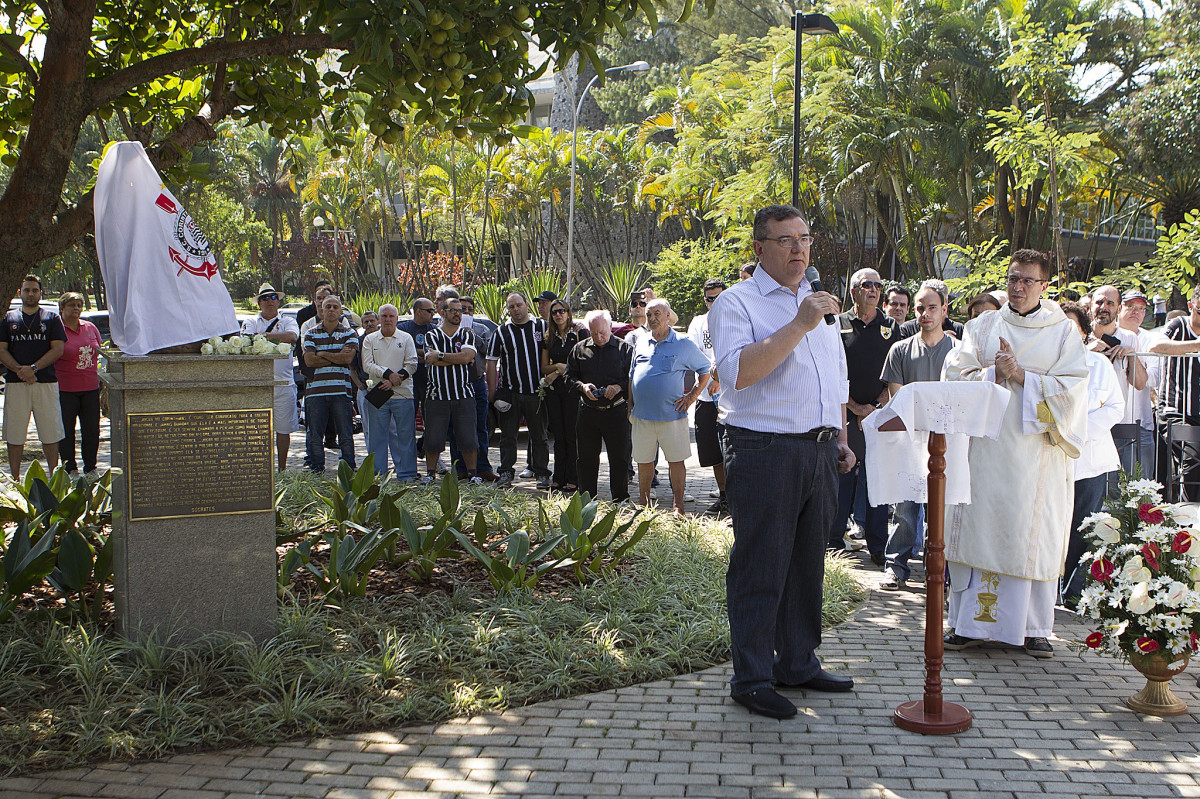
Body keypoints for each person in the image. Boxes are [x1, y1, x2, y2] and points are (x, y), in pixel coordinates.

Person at [711, 204, 855, 720]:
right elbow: (739, 374)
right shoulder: (736, 303)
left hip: (818, 448)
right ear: (759, 248)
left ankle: (797, 662)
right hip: (763, 448)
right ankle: (751, 677)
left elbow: (832, 376)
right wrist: (799, 323)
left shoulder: (818, 306)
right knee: (761, 565)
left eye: (804, 238)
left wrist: (840, 436)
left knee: (806, 565)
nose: (799, 249)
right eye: (785, 240)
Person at [942, 249, 1088, 659]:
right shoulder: (981, 326)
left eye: (1027, 280)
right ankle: (968, 625)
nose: (1018, 287)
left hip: (1037, 456)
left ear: (1044, 286)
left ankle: (1033, 628)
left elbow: (1075, 391)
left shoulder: (1062, 333)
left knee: (1033, 535)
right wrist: (994, 374)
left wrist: (1024, 376)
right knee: (980, 531)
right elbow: (953, 376)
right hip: (985, 455)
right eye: (1012, 278)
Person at [877, 280, 959, 590]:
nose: (925, 314)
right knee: (905, 508)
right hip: (910, 441)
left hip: (948, 444)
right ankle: (895, 566)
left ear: (944, 309)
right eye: (920, 308)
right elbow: (899, 401)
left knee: (942, 509)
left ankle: (937, 571)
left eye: (932, 307)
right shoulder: (900, 350)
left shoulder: (959, 353)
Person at [830, 267, 897, 565]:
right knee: (842, 476)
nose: (873, 290)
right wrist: (856, 408)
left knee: (877, 482)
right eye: (867, 285)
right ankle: (833, 542)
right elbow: (832, 372)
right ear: (854, 290)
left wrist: (876, 408)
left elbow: (897, 374)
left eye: (878, 285)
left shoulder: (892, 326)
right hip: (845, 414)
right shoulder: (838, 324)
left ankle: (879, 547)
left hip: (880, 416)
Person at [1059, 301, 1124, 605]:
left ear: (1084, 332)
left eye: (1073, 327)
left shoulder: (1099, 365)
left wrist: (1079, 434)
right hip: (1053, 459)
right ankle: (1048, 591)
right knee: (1055, 526)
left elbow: (1115, 408)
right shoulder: (1044, 366)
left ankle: (1073, 595)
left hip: (1090, 461)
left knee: (1084, 528)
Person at [629, 298, 710, 514]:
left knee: (676, 461)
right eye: (649, 315)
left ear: (667, 316)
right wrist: (630, 407)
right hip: (642, 417)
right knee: (644, 462)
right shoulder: (641, 342)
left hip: (672, 417)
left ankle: (678, 505)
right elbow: (631, 376)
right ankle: (644, 505)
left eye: (657, 314)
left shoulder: (683, 344)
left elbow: (705, 369)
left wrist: (691, 397)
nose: (653, 318)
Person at [0, 274, 66, 478]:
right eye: (27, 290)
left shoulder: (52, 318)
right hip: (16, 382)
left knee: (50, 432)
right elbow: (1, 350)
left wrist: (34, 369)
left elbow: (58, 349)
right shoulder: (8, 318)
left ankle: (54, 479)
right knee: (15, 434)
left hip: (45, 382)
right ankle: (15, 479)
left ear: (40, 292)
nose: (30, 294)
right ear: (19, 293)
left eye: (34, 290)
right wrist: (21, 370)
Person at [567, 310, 634, 502]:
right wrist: (582, 386)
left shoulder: (625, 349)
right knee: (586, 459)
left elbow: (632, 379)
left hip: (616, 411)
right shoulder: (580, 349)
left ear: (610, 328)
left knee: (620, 458)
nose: (599, 337)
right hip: (588, 412)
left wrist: (618, 387)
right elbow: (568, 377)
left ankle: (620, 500)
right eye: (594, 333)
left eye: (602, 332)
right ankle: (587, 500)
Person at [486, 292, 551, 488]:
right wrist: (492, 392)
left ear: (526, 305)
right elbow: (491, 362)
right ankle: (506, 472)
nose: (515, 309)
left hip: (536, 392)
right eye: (511, 306)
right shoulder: (501, 332)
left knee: (539, 435)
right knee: (508, 435)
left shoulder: (541, 327)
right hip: (511, 393)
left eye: (518, 305)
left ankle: (542, 473)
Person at [1088, 286, 1151, 481]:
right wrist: (1086, 352)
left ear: (1118, 308)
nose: (1103, 307)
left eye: (1110, 303)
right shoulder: (1079, 336)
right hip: (1088, 423)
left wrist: (1131, 355)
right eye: (1099, 302)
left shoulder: (1129, 337)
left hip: (1120, 422)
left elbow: (1140, 384)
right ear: (1090, 305)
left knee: (1120, 489)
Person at [241, 282, 301, 472]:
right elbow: (247, 341)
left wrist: (263, 336)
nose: (270, 301)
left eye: (273, 297)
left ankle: (282, 470)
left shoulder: (288, 320)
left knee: (283, 430)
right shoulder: (250, 321)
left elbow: (292, 337)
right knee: (258, 431)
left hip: (283, 383)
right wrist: (275, 336)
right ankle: (261, 470)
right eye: (265, 298)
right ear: (259, 303)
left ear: (278, 301)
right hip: (258, 384)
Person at [423, 298, 481, 483]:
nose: (458, 313)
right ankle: (430, 474)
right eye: (453, 310)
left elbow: (466, 357)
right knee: (433, 438)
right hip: (437, 395)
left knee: (468, 438)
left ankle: (472, 474)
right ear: (442, 312)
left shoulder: (467, 335)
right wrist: (459, 358)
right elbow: (431, 361)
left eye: (460, 311)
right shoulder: (432, 335)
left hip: (463, 394)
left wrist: (441, 356)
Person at [1151, 285, 1200, 498]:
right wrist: (1197, 345)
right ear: (1191, 306)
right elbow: (1157, 346)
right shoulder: (1178, 325)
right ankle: (1189, 515)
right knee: (1193, 459)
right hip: (1176, 410)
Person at [361, 304, 419, 480]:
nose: (387, 319)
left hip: (403, 394)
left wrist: (395, 379)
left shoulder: (406, 338)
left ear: (397, 319)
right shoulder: (369, 339)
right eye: (384, 316)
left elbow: (412, 364)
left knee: (406, 436)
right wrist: (387, 375)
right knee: (377, 437)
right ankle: (378, 475)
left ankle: (407, 474)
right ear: (379, 319)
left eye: (391, 316)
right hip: (378, 393)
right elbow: (367, 365)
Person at [302, 295, 358, 473]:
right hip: (315, 392)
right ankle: (317, 468)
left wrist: (322, 353)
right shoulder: (310, 333)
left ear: (341, 311)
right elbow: (309, 361)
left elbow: (348, 358)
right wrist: (336, 356)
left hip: (340, 392)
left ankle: (348, 468)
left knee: (345, 434)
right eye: (328, 307)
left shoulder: (350, 333)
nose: (332, 310)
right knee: (315, 435)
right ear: (321, 310)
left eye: (335, 307)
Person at [687, 278, 729, 514]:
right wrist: (709, 378)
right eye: (709, 299)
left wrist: (719, 377)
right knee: (712, 450)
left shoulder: (735, 318)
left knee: (731, 448)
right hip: (704, 398)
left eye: (718, 297)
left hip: (730, 398)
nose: (713, 302)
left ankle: (735, 496)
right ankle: (724, 495)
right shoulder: (698, 322)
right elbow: (694, 354)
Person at [54, 291, 103, 477]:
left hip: (90, 388)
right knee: (66, 431)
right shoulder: (56, 328)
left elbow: (99, 351)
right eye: (72, 305)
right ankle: (70, 469)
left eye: (79, 305)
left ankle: (90, 468)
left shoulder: (90, 327)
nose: (76, 309)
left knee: (91, 430)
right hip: (65, 389)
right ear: (62, 308)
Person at [540, 298, 587, 491]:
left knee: (571, 434)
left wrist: (559, 369)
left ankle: (574, 477)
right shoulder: (548, 336)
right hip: (554, 391)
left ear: (568, 313)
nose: (558, 315)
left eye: (562, 311)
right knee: (558, 435)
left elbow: (583, 362)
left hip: (573, 389)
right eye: (554, 312)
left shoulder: (579, 333)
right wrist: (558, 367)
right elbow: (543, 367)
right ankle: (558, 476)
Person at [351, 310, 379, 441]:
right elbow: (352, 368)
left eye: (372, 321)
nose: (369, 324)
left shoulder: (384, 338)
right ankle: (371, 458)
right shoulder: (357, 342)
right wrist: (360, 387)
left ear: (378, 322)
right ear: (362, 325)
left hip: (384, 388)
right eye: (366, 322)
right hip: (365, 389)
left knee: (390, 428)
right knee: (369, 429)